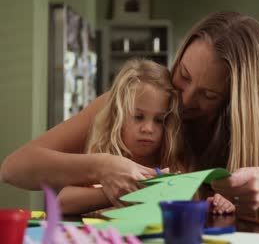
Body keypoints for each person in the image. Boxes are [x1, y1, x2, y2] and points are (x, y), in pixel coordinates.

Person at [1, 11, 259, 215]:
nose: (186, 98)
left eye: (209, 94)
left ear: (233, 101)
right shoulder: (136, 101)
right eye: (184, 75)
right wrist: (101, 167)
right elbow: (14, 168)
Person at [57, 59, 234, 215]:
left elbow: (193, 206)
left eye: (159, 120)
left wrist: (217, 204)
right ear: (117, 115)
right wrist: (119, 191)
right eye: (138, 117)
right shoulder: (103, 160)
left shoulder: (173, 166)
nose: (148, 128)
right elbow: (62, 203)